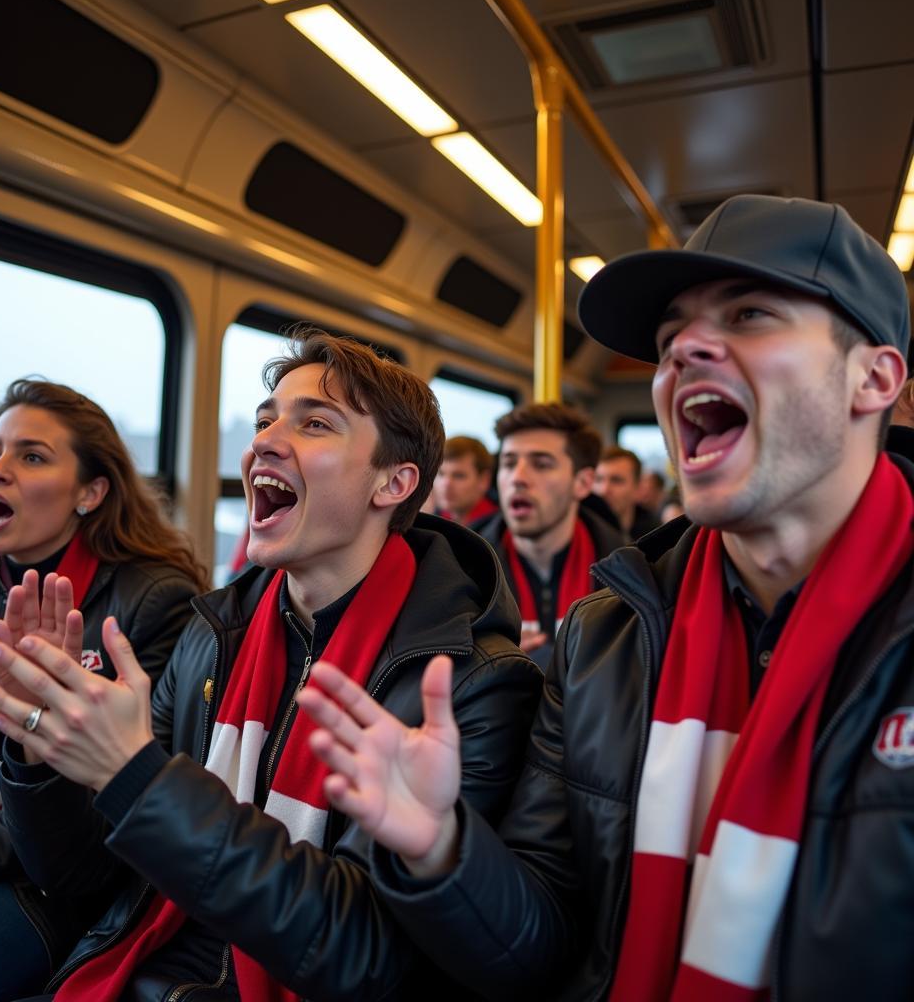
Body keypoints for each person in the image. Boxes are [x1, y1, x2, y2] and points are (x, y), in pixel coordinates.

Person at [297, 195, 914, 1000]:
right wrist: (442, 848)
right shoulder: (608, 639)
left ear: (874, 379)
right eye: (669, 340)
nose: (685, 350)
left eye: (751, 314)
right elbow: (549, 943)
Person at [0, 331, 541, 1000]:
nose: (265, 442)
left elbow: (371, 959)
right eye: (266, 420)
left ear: (394, 482)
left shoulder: (473, 681)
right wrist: (35, 751)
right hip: (140, 961)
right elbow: (79, 872)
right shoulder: (213, 633)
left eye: (315, 424)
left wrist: (138, 777)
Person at [0, 378, 205, 1002]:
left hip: (37, 884)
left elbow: (109, 803)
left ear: (90, 493)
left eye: (30, 456)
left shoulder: (151, 603)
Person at [474, 403, 624, 668]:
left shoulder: (626, 575)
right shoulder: (466, 569)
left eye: (541, 465)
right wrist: (489, 661)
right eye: (508, 463)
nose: (517, 478)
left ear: (583, 483)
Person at [593, 445, 660, 539]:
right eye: (598, 480)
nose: (604, 490)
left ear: (638, 488)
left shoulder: (655, 537)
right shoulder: (580, 533)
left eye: (616, 480)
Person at [433, 435, 497, 524]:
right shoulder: (432, 520)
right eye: (441, 474)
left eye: (458, 476)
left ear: (484, 480)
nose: (446, 484)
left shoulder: (502, 530)